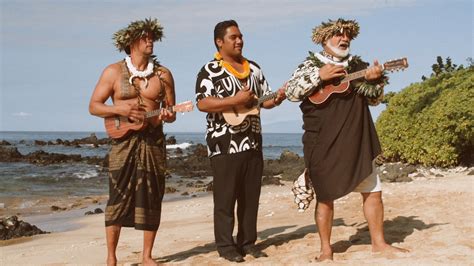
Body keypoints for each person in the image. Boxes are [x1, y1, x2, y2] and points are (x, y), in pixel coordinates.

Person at [285, 18, 409, 261]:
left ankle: (379, 243)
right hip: (321, 141)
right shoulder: (309, 65)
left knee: (373, 191)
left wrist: (375, 80)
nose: (344, 39)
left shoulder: (358, 66)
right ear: (323, 39)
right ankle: (326, 250)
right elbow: (291, 92)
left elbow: (373, 99)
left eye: (348, 36)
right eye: (338, 35)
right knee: (325, 196)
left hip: (355, 138)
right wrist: (320, 75)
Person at [195, 20, 286, 263]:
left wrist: (278, 98)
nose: (239, 40)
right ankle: (226, 247)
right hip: (223, 144)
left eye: (241, 36)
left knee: (250, 197)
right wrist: (234, 100)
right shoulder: (210, 70)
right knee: (225, 199)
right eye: (233, 37)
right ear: (219, 42)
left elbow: (264, 100)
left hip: (253, 142)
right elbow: (202, 103)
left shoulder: (254, 68)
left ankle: (247, 243)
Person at [89, 18, 176, 266]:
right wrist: (120, 109)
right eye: (144, 37)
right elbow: (94, 106)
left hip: (152, 141)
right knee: (117, 196)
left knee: (152, 195)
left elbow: (171, 112)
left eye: (152, 37)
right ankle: (111, 257)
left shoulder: (163, 74)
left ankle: (147, 256)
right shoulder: (113, 72)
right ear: (130, 42)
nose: (150, 41)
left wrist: (168, 115)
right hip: (122, 141)